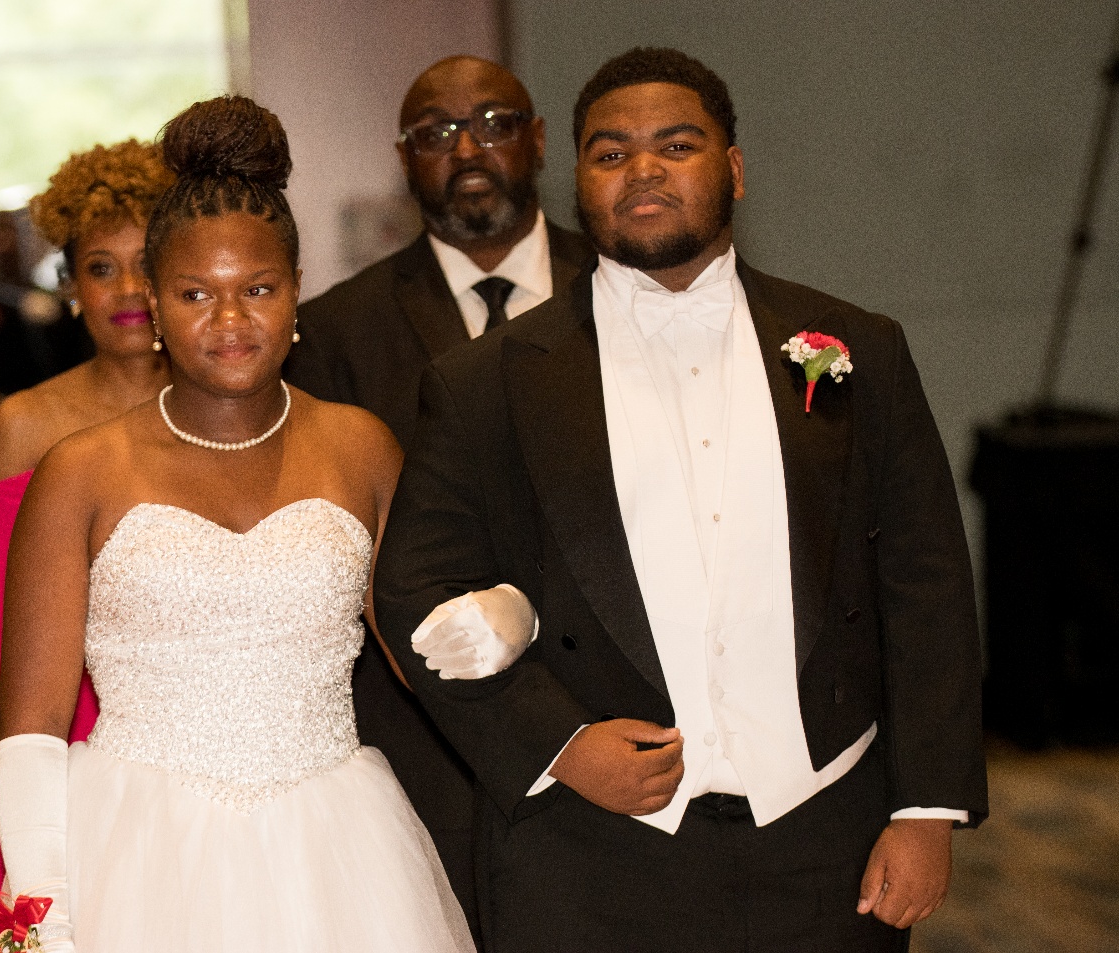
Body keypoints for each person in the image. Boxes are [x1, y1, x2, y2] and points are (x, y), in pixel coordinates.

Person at [374, 47, 988, 953]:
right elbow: (412, 592)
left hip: (829, 838)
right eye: (610, 152)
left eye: (676, 145)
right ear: (578, 180)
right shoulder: (484, 382)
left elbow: (925, 583)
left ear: (733, 169)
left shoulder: (858, 348)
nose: (643, 169)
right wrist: (559, 744)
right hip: (591, 858)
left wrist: (926, 808)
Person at [0, 95, 473, 952]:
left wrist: (508, 617)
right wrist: (41, 916)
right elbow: (30, 723)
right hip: (138, 853)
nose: (229, 321)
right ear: (155, 299)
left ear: (297, 289)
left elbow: (423, 647)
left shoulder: (361, 446)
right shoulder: (80, 471)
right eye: (194, 293)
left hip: (335, 852)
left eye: (257, 289)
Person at [282, 56, 592, 929]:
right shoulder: (337, 330)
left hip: (611, 712)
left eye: (494, 123)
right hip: (426, 734)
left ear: (538, 139)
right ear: (403, 158)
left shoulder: (621, 285)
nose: (465, 148)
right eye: (435, 132)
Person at [0, 138, 172, 950]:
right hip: (70, 737)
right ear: (69, 285)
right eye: (100, 267)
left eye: (147, 264)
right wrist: (3, 862)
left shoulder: (232, 410)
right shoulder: (27, 423)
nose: (128, 290)